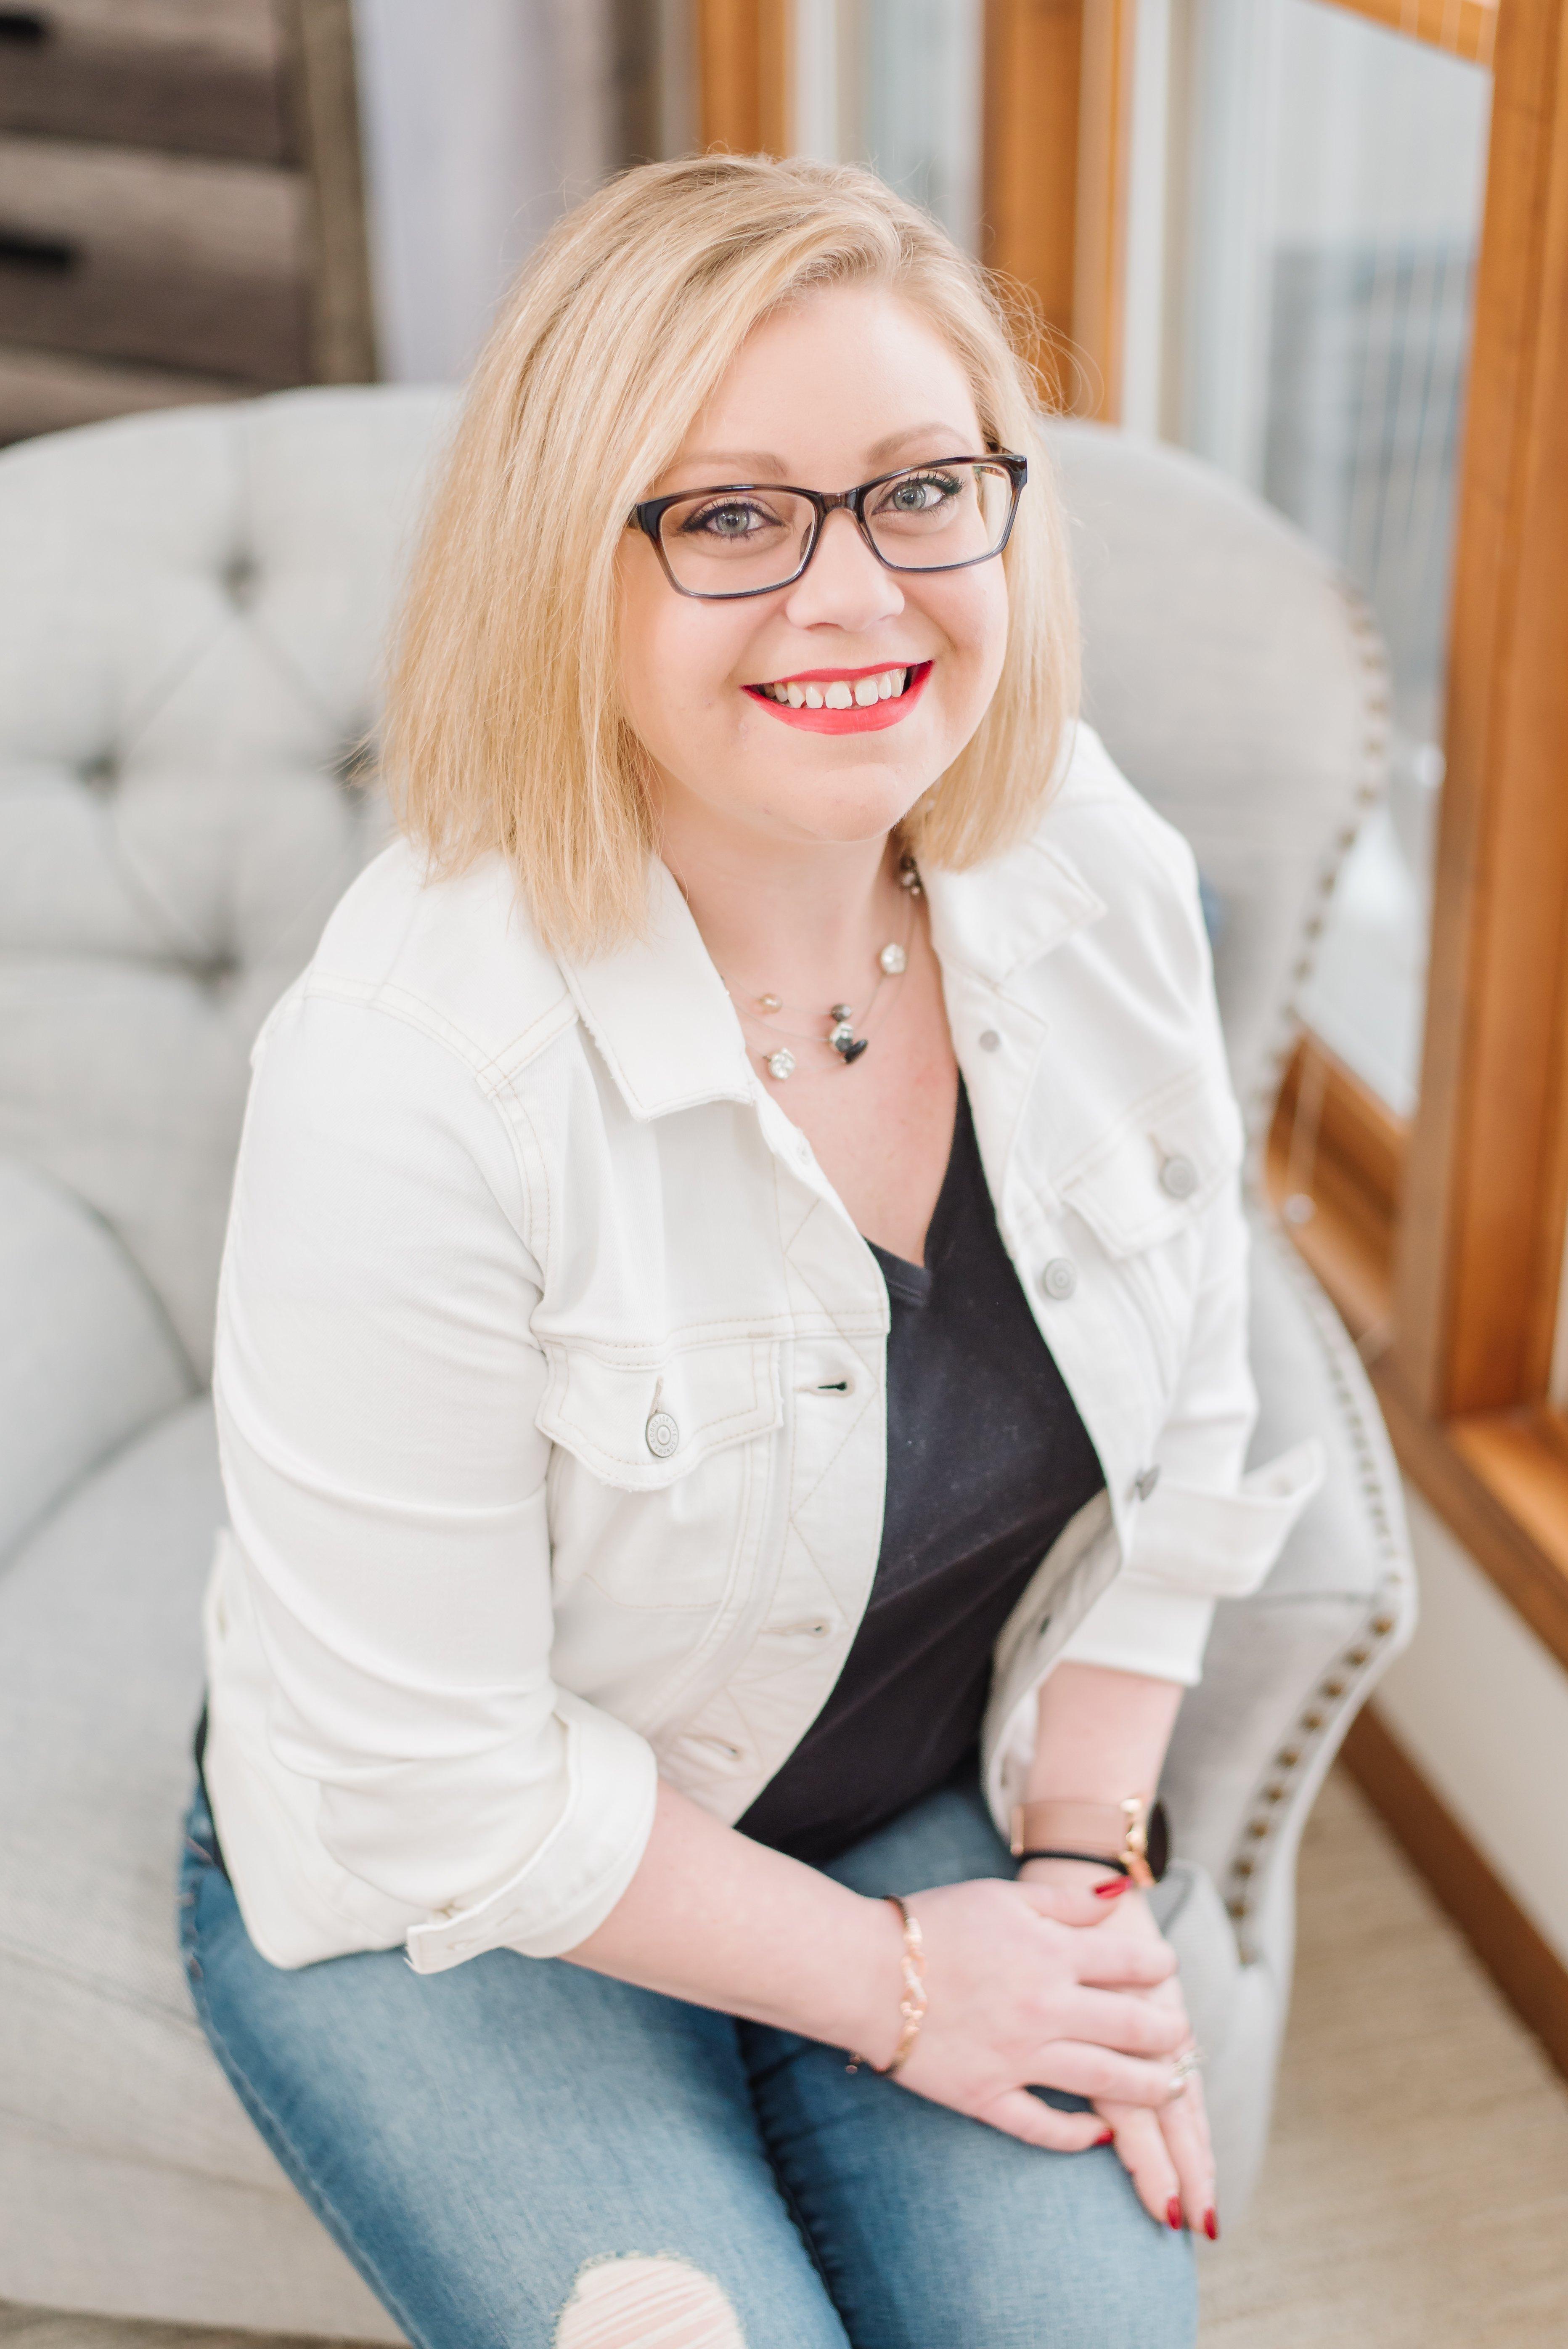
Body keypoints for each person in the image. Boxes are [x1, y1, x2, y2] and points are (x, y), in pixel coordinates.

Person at [180, 154, 1320, 2349]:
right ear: (565, 564)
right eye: (727, 518)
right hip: (473, 1893)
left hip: (914, 1793)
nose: (853, 593)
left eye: (920, 492)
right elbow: (437, 1778)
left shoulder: (1087, 862)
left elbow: (1189, 1416)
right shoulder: (410, 1070)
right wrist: (906, 1990)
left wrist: (1080, 1869)